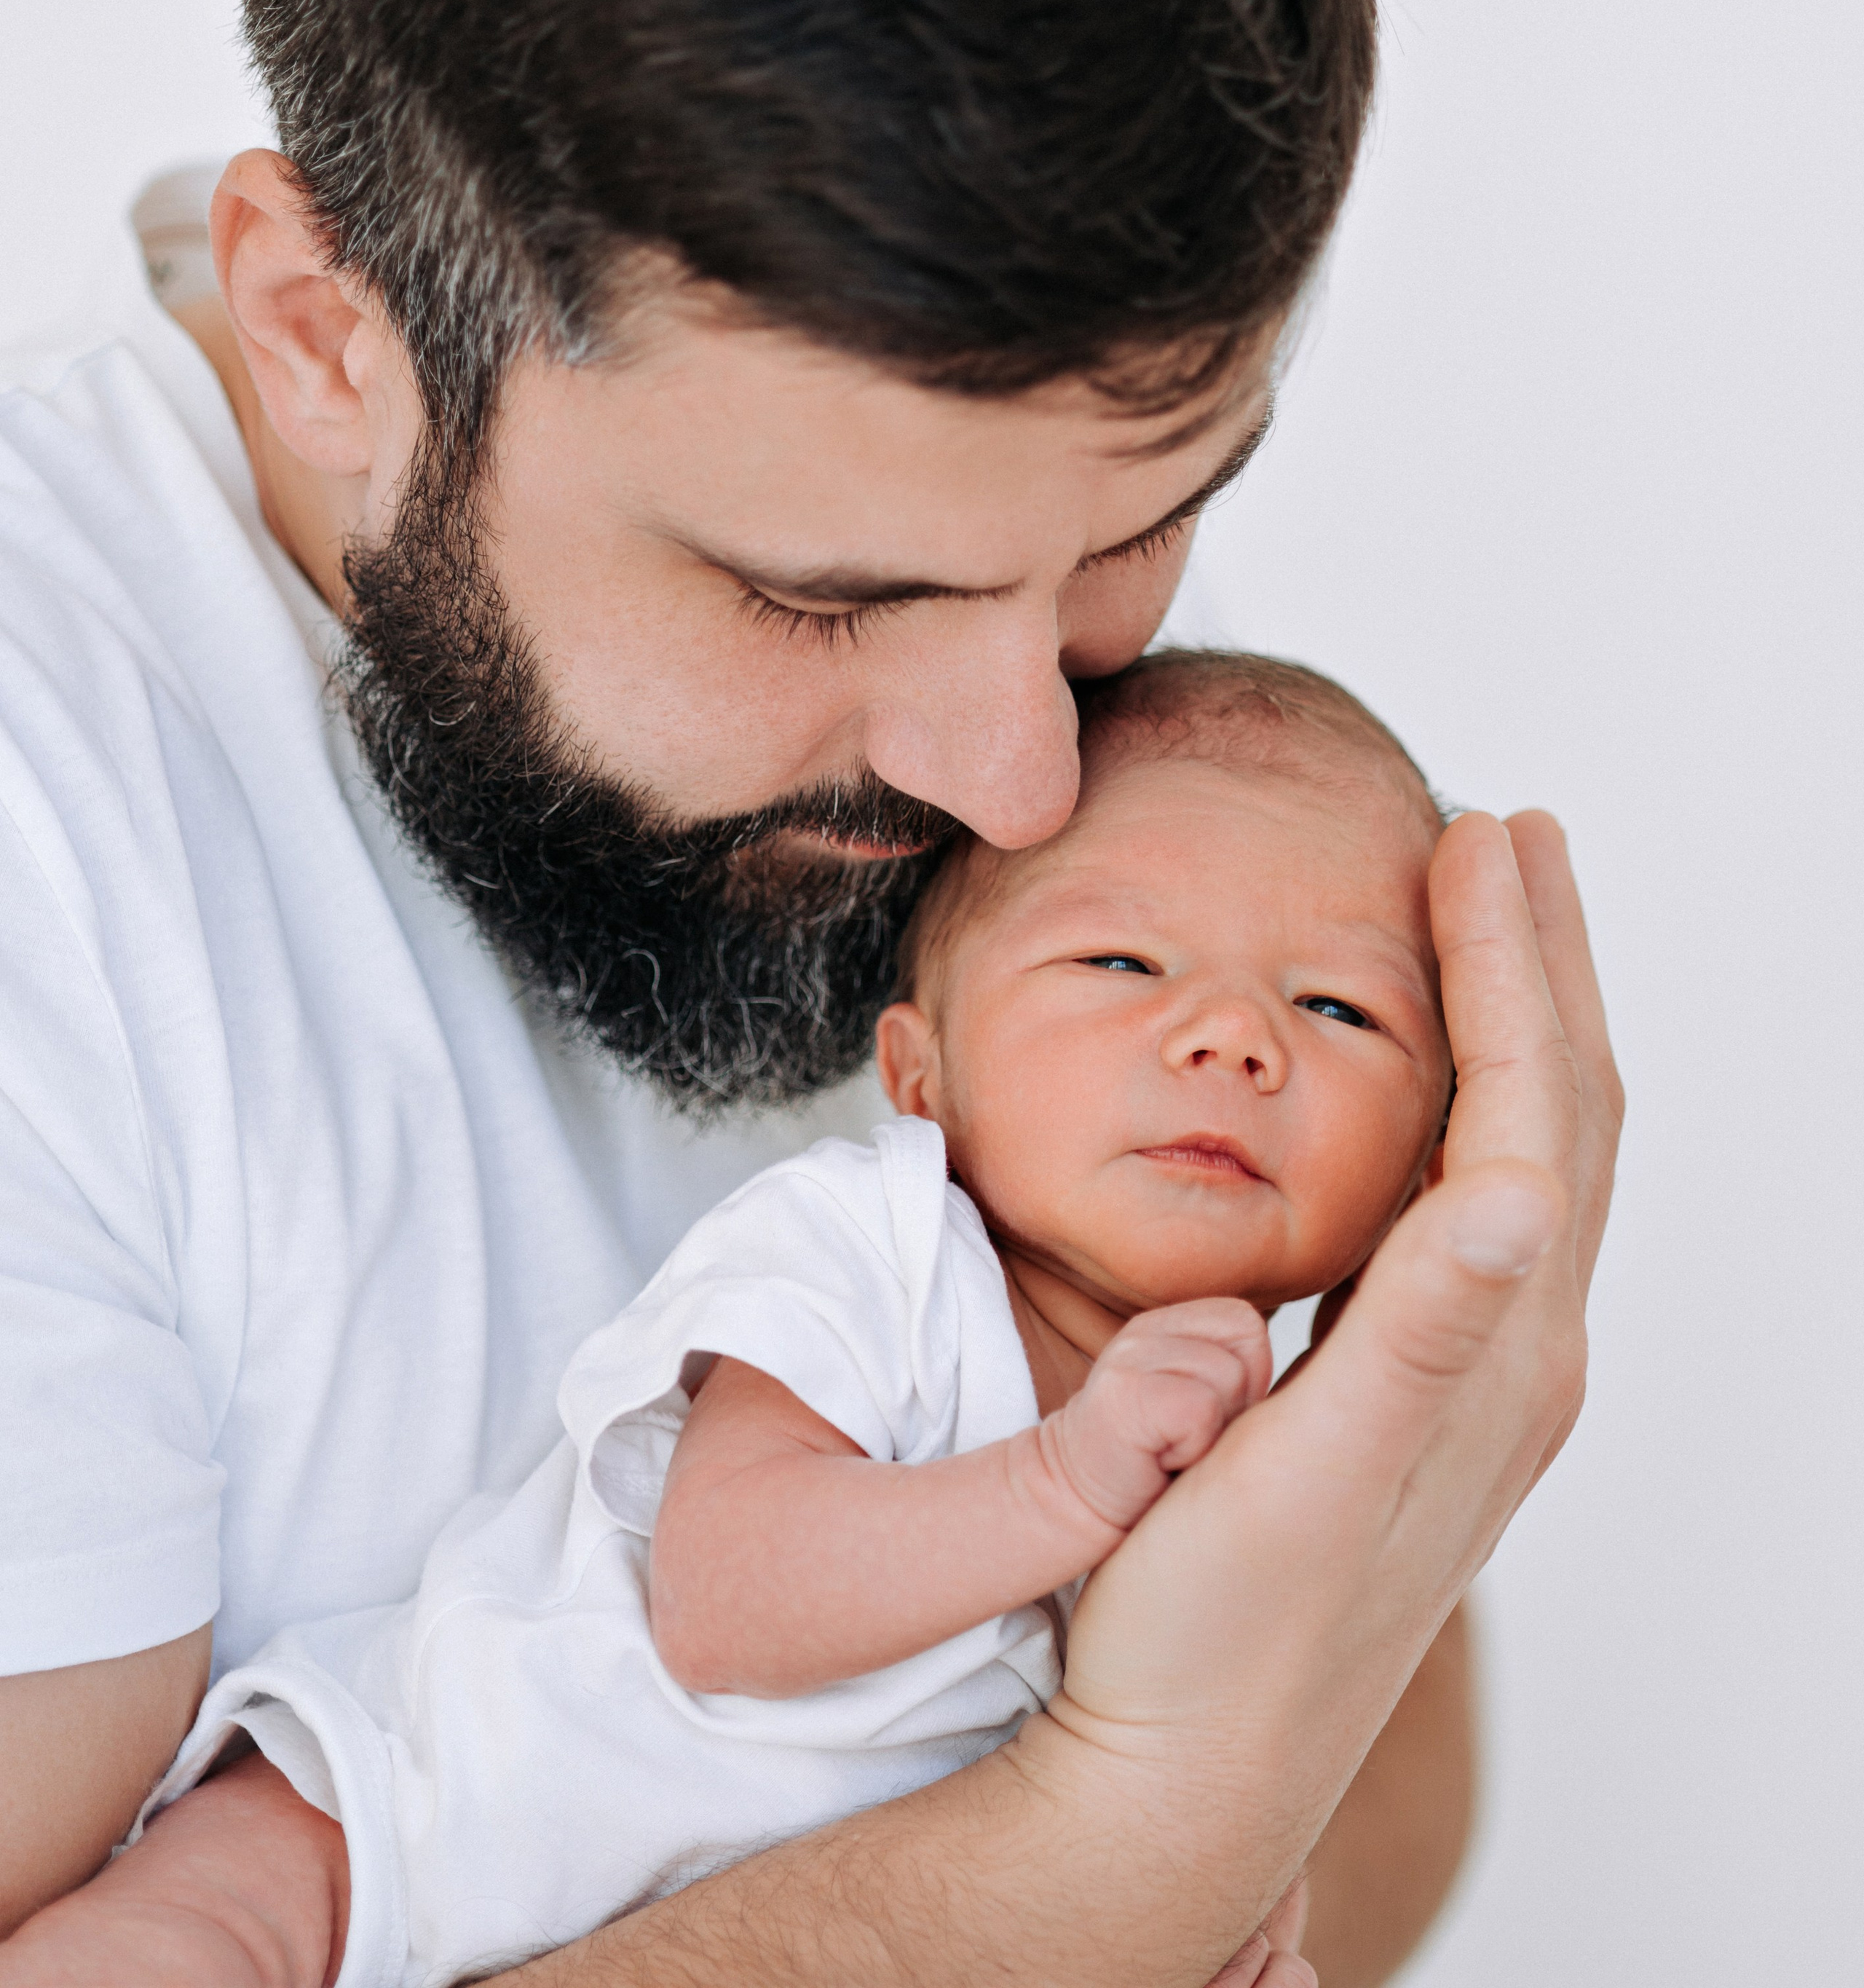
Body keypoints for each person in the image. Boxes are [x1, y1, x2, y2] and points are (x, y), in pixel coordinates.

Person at [0, 0, 1619, 1988]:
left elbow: (1398, 1758)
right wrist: (1076, 1878)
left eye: (1140, 531)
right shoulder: (49, 861)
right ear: (327, 335)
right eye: (818, 599)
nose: (1019, 768)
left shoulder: (1042, 731)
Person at [13, 650, 1456, 1988]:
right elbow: (724, 1599)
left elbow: (1213, 1772)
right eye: (1121, 965)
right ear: (920, 1068)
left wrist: (1215, 1907)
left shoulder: (1275, 1447)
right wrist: (1062, 1480)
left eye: (1337, 1008)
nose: (1230, 1035)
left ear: (1420, 1166)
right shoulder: (868, 1247)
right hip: (396, 1828)